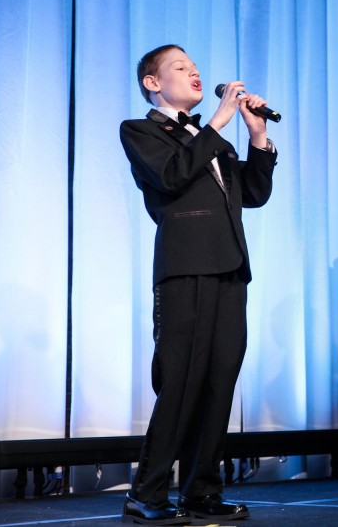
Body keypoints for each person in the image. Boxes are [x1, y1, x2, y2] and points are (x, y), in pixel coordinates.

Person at [119, 44, 278, 524]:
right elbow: (172, 177)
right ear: (153, 82)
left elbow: (253, 193)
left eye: (195, 67)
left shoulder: (214, 139)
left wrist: (258, 137)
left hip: (229, 266)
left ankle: (201, 491)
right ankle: (146, 492)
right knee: (181, 381)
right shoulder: (141, 131)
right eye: (180, 68)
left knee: (219, 380)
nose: (194, 73)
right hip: (185, 268)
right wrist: (217, 124)